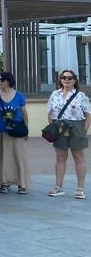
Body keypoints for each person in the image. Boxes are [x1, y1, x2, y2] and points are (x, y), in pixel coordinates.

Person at [46, 69, 89, 199]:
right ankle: (58, 187)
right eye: (64, 77)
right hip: (60, 126)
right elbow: (50, 111)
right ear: (60, 80)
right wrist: (53, 126)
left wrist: (84, 130)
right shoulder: (55, 94)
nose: (66, 80)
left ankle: (80, 188)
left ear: (74, 80)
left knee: (78, 157)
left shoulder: (81, 95)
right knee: (60, 157)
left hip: (76, 125)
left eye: (70, 78)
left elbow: (88, 113)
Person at [0, 72, 30, 195]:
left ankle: (22, 183)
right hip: (1, 130)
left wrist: (26, 129)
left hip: (17, 130)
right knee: (2, 157)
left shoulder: (19, 95)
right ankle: (4, 183)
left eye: (2, 80)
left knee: (19, 157)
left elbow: (24, 113)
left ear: (8, 81)